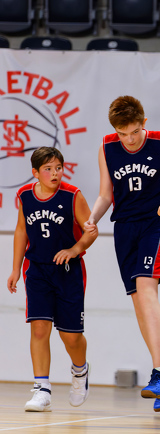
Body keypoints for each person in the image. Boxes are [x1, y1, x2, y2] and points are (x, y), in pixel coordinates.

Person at [84, 95, 160, 412]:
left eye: (133, 132)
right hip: (124, 227)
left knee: (146, 287)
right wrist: (93, 218)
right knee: (139, 301)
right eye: (122, 133)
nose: (128, 139)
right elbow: (105, 194)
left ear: (144, 123)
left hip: (158, 222)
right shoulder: (106, 147)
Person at [7, 147, 97, 412]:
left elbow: (91, 231)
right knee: (38, 328)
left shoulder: (72, 195)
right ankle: (42, 389)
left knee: (71, 336)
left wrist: (75, 249)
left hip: (68, 272)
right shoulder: (25, 195)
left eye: (58, 168)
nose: (55, 173)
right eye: (48, 169)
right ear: (35, 173)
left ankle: (80, 371)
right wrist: (15, 269)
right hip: (37, 270)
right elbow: (21, 230)